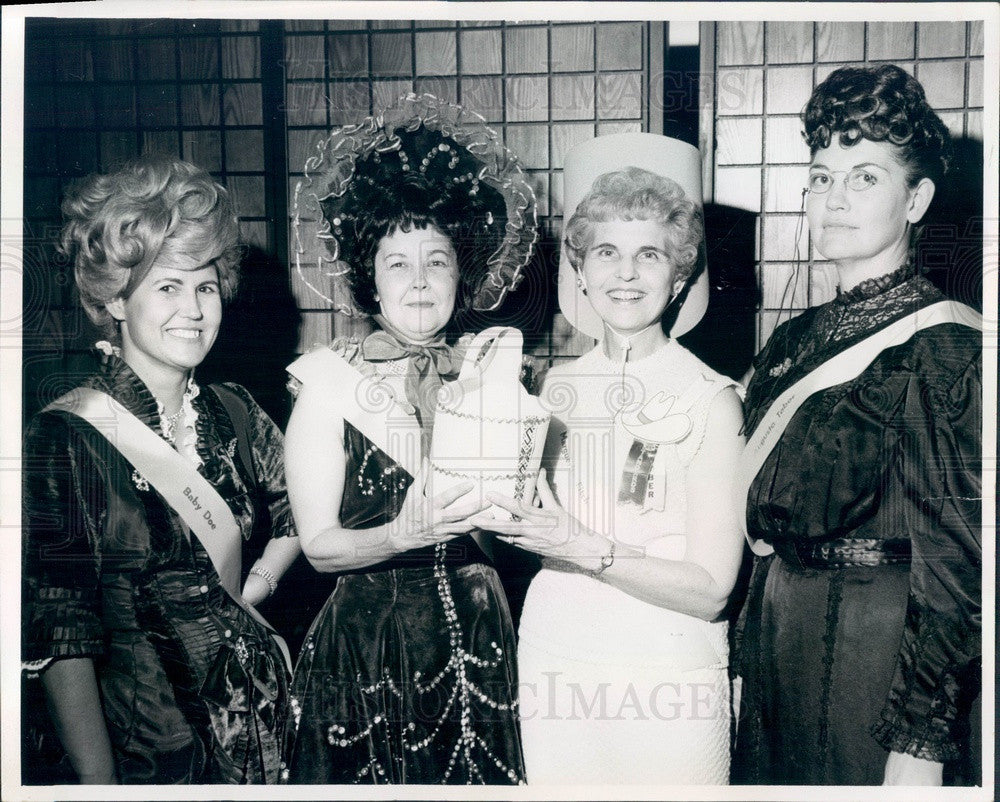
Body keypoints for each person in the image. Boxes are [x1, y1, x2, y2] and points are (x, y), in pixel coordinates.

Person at [732, 64, 982, 786]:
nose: (833, 199)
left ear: (917, 199)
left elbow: (960, 567)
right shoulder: (789, 343)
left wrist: (919, 746)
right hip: (780, 640)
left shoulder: (946, 347)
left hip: (881, 658)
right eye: (820, 177)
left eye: (864, 177)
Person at [281, 93, 537, 785]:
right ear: (370, 278)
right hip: (369, 644)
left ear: (464, 272)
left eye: (438, 261)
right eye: (398, 263)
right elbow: (320, 547)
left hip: (482, 633)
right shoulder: (329, 385)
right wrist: (399, 535)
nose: (420, 282)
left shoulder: (492, 373)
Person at [21, 157, 299, 784]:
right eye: (167, 288)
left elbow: (298, 514)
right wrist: (101, 787)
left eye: (205, 286)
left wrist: (258, 584)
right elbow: (62, 640)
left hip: (264, 742)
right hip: (148, 757)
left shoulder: (236, 411)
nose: (194, 310)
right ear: (116, 300)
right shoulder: (65, 438)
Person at [480, 135, 745, 784]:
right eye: (606, 252)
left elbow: (712, 590)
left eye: (648, 254)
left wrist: (581, 543)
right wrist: (473, 410)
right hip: (555, 657)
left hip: (667, 673)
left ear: (680, 273)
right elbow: (510, 524)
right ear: (580, 271)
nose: (625, 274)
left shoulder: (714, 401)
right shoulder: (551, 388)